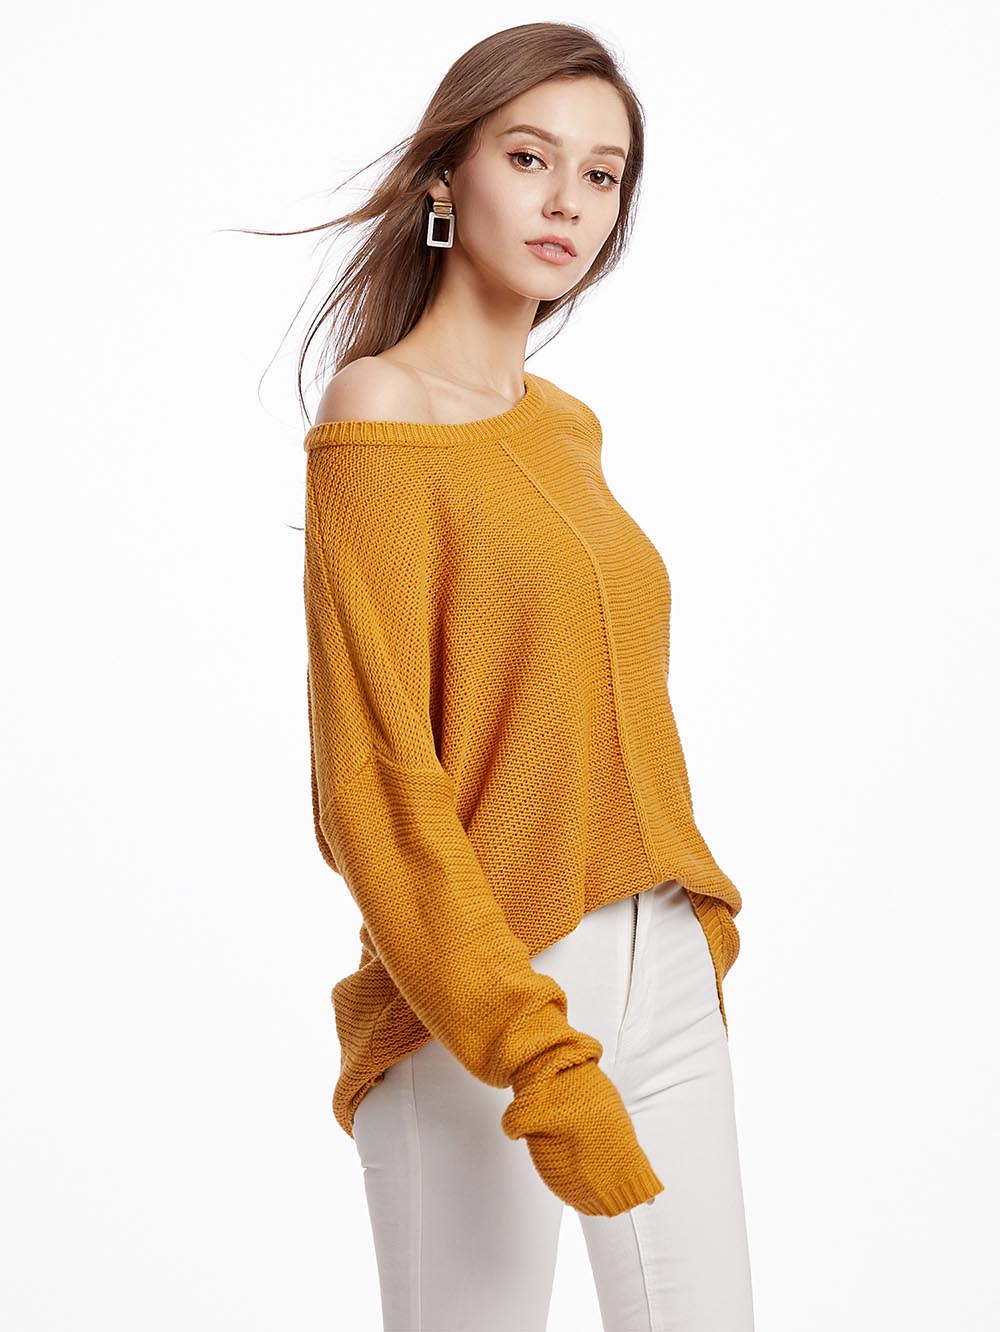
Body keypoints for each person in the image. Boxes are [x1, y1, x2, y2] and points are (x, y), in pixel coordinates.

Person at [300, 21, 755, 1331]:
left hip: (659, 964)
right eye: (529, 156)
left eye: (603, 175)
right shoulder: (377, 413)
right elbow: (375, 789)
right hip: (481, 993)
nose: (568, 201)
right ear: (447, 177)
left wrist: (688, 940)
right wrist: (534, 1050)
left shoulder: (568, 429)